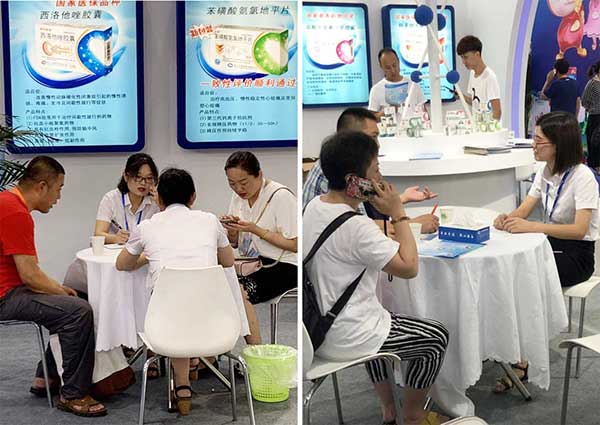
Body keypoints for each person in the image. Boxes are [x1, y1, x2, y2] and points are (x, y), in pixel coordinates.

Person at [304, 131, 449, 425]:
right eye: (376, 170)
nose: (380, 178)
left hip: (317, 330)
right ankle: (413, 415)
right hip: (349, 334)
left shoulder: (316, 206)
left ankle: (389, 410)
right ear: (354, 181)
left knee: (381, 314)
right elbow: (409, 267)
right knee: (436, 337)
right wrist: (398, 213)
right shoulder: (357, 225)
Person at [492, 111, 599, 392]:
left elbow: (580, 230)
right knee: (509, 270)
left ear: (558, 144)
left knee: (524, 279)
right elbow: (525, 208)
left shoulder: (583, 177)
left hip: (577, 255)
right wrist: (507, 219)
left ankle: (524, 360)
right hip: (549, 244)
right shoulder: (545, 171)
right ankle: (508, 345)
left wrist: (533, 227)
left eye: (539, 141)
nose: (534, 146)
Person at [116, 168, 236, 416]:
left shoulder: (147, 227)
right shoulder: (210, 221)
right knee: (189, 306)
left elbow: (122, 264)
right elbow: (228, 261)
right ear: (193, 197)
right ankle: (190, 367)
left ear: (158, 199)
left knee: (176, 312)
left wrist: (148, 255)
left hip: (165, 324)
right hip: (214, 320)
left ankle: (182, 385)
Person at [0, 156, 107, 417]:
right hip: (5, 297)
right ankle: (73, 394)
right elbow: (29, 275)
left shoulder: (7, 202)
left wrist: (59, 290)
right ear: (42, 186)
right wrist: (59, 290)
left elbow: (29, 273)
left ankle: (46, 376)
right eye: (58, 189)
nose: (58, 197)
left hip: (12, 290)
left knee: (74, 300)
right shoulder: (15, 212)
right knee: (78, 311)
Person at [303, 107, 439, 233]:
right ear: (350, 138)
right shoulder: (337, 170)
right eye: (373, 137)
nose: (377, 144)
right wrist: (412, 224)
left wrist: (402, 198)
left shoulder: (337, 163)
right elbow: (362, 226)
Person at [221, 151, 297, 345]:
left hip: (285, 265)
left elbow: (296, 244)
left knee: (238, 291)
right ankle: (212, 353)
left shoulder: (280, 196)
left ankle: (255, 350)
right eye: (232, 184)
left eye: (243, 183)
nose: (238, 189)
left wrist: (255, 229)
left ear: (259, 175)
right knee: (217, 285)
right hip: (251, 263)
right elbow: (235, 243)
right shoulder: (237, 198)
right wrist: (232, 229)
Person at [95, 153, 160, 245]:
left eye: (149, 178)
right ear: (126, 176)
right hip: (115, 252)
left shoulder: (156, 202)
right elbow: (98, 234)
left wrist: (161, 204)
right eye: (138, 177)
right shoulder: (111, 199)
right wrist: (115, 238)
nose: (143, 183)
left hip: (145, 252)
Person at [368, 48, 427, 119]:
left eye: (394, 65)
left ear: (398, 62)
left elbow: (424, 112)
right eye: (388, 68)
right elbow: (371, 119)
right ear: (381, 67)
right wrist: (387, 111)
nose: (393, 70)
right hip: (390, 125)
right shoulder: (376, 89)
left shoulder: (413, 85)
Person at [456, 35, 502, 120]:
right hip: (476, 125)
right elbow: (475, 103)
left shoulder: (490, 77)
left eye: (466, 57)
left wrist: (489, 127)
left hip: (487, 127)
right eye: (462, 58)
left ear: (477, 54)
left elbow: (497, 112)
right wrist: (461, 96)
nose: (463, 62)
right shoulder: (472, 74)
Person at [582, 61, 600, 169]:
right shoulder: (592, 83)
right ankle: (594, 167)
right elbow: (584, 101)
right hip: (595, 118)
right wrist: (592, 108)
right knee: (595, 144)